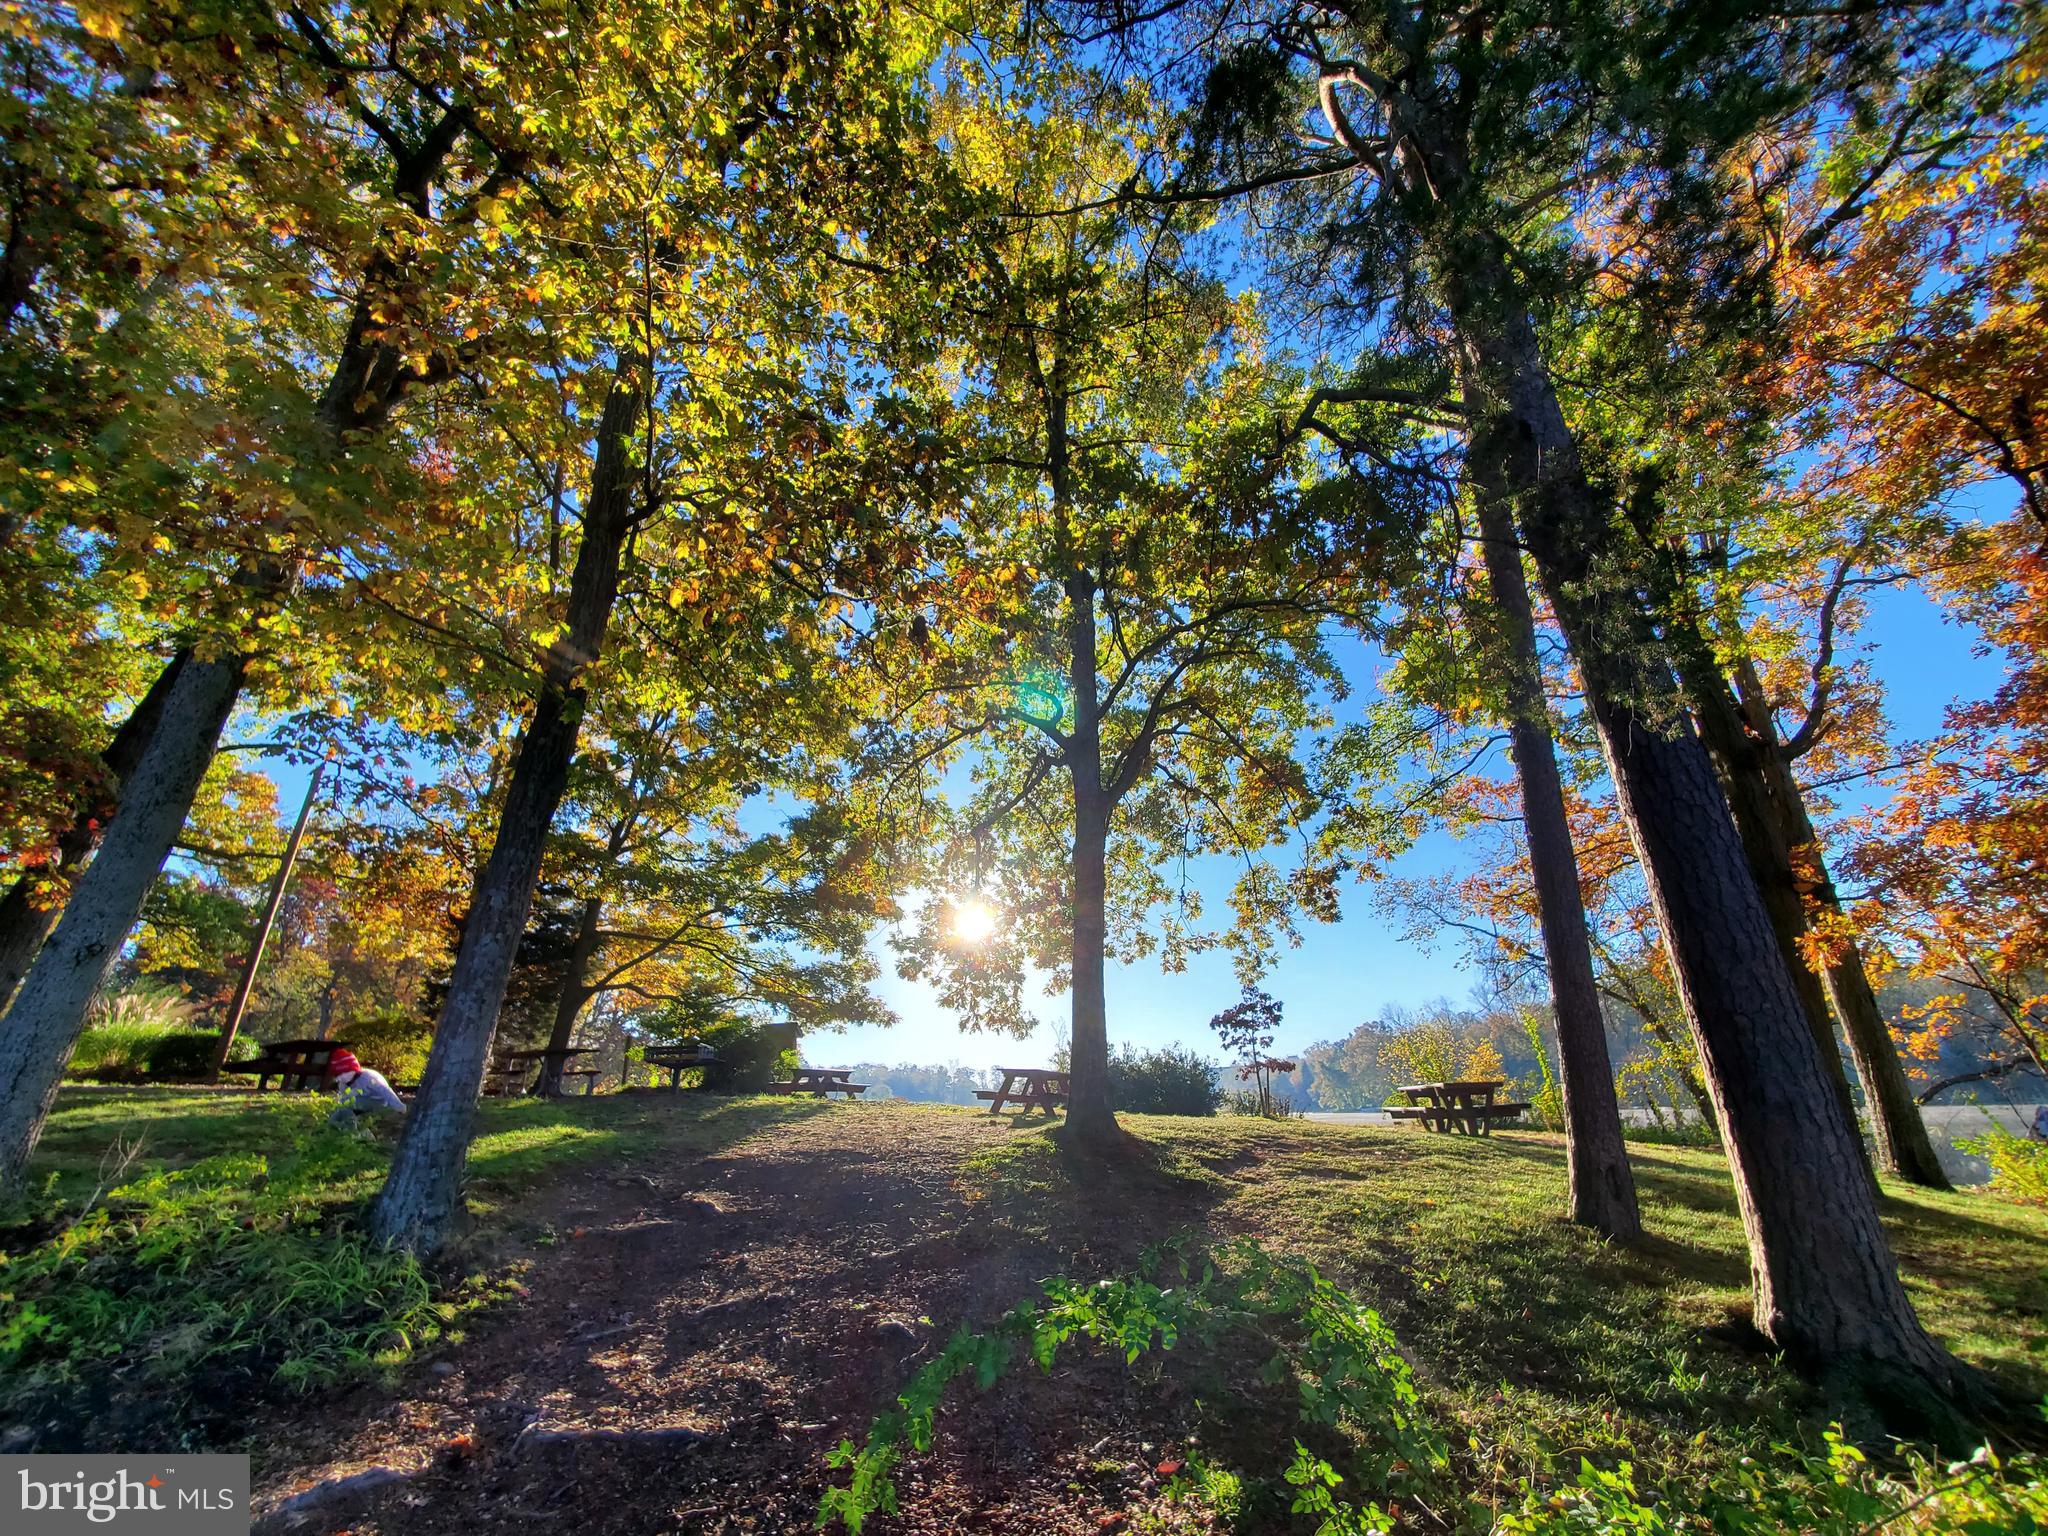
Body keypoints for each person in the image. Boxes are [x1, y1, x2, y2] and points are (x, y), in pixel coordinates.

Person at [326, 1047, 407, 1124]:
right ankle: (331, 1123)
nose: (340, 1078)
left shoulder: (368, 1077)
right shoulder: (343, 1084)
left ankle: (351, 1126)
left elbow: (385, 1091)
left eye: (343, 1073)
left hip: (379, 1102)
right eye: (337, 1075)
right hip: (361, 1103)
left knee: (347, 1103)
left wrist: (399, 1106)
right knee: (341, 1105)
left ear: (353, 1069)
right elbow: (344, 1096)